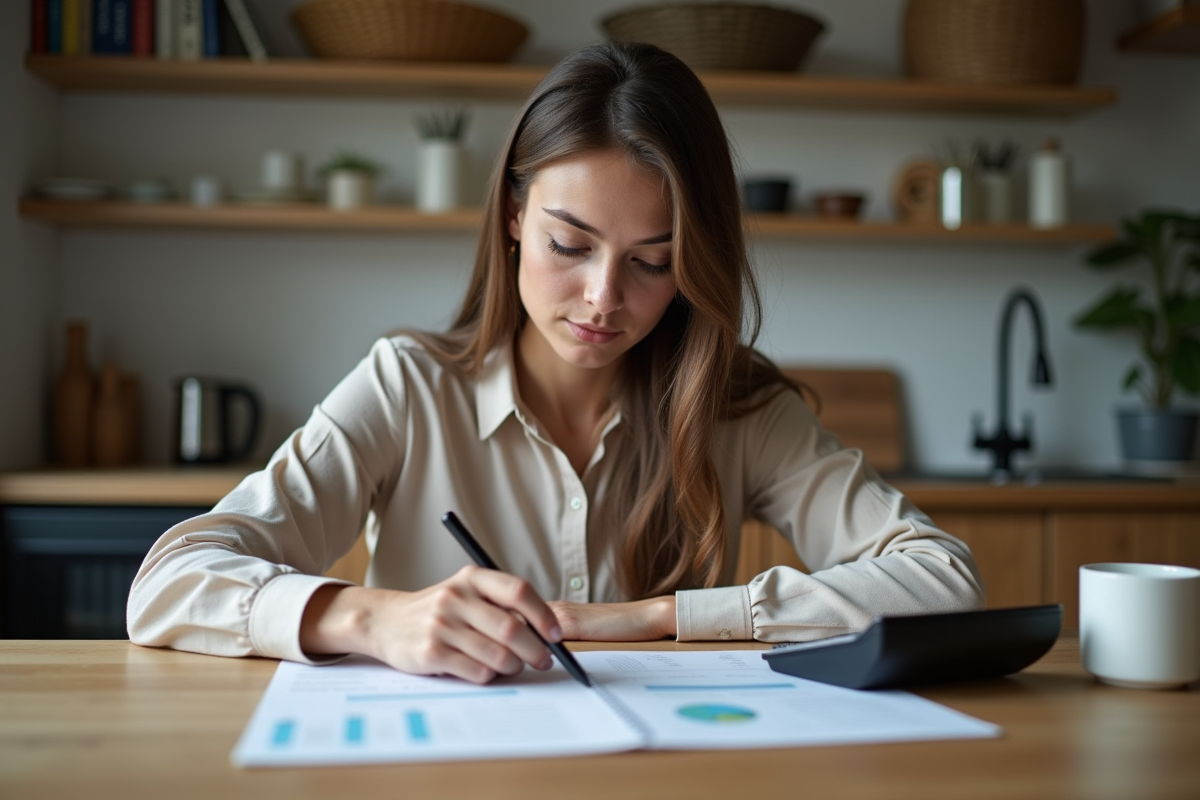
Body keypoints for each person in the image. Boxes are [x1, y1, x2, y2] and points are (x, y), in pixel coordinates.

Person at [127, 41, 984, 685]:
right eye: (569, 245)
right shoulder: (407, 389)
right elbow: (169, 582)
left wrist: (658, 619)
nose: (604, 298)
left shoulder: (739, 409)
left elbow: (943, 581)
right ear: (511, 214)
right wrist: (370, 617)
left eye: (654, 261)